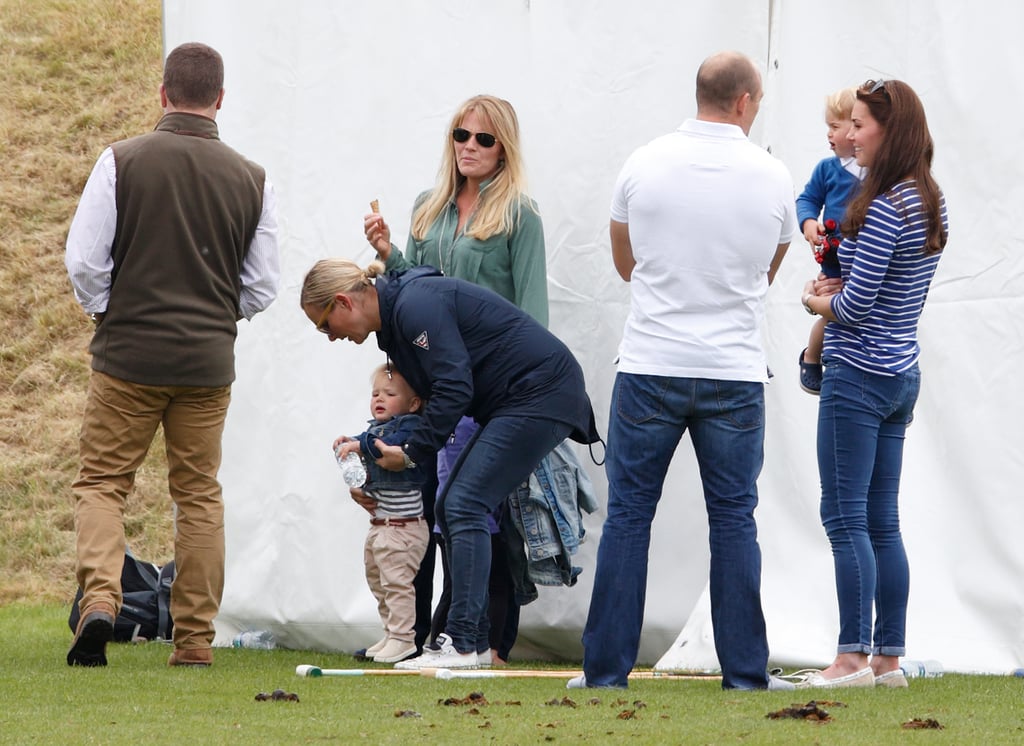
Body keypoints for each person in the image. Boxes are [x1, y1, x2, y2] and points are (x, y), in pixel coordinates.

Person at [571, 51, 797, 691]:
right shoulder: (772, 174)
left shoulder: (643, 162)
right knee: (733, 517)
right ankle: (746, 675)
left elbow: (626, 261)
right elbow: (768, 270)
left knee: (629, 516)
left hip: (651, 362)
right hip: (732, 368)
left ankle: (605, 673)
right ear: (746, 101)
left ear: (700, 93)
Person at [64, 42, 280, 668]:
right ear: (220, 98)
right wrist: (216, 316)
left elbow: (84, 261)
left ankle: (102, 600)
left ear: (162, 94)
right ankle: (193, 640)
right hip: (207, 366)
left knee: (104, 484)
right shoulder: (252, 177)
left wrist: (109, 310)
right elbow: (262, 285)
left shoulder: (120, 161)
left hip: (127, 358)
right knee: (198, 494)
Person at [300, 259, 598, 670]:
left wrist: (409, 453)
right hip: (522, 397)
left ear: (341, 302)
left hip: (539, 392)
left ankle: (461, 643)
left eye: (324, 325)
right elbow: (421, 408)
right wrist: (369, 457)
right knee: (450, 505)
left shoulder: (413, 306)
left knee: (464, 504)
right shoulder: (397, 321)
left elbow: (454, 387)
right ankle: (471, 644)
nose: (330, 338)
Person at [364, 94, 547, 663]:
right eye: (460, 136)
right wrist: (389, 253)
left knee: (480, 513)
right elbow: (411, 292)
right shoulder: (428, 207)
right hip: (433, 388)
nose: (470, 147)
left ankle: (490, 639)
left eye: (484, 139)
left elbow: (534, 315)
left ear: (504, 148)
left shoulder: (521, 213)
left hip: (490, 390)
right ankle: (412, 636)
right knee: (421, 511)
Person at [796, 78, 947, 689]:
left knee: (844, 517)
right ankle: (888, 658)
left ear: (890, 129)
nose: (849, 134)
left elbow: (856, 308)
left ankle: (851, 657)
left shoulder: (884, 205)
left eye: (860, 124)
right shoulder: (928, 198)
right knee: (882, 519)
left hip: (858, 374)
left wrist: (816, 302)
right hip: (901, 372)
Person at [334, 364, 429, 664]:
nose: (379, 398)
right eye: (375, 393)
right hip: (380, 525)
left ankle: (404, 639)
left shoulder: (410, 428)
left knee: (397, 584)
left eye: (389, 394)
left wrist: (358, 445)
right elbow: (366, 441)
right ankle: (391, 633)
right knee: (379, 581)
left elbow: (384, 447)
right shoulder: (372, 430)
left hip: (403, 528)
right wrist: (345, 442)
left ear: (413, 403)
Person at [796, 86, 865, 394]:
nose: (829, 134)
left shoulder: (877, 173)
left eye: (834, 127)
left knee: (861, 312)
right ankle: (812, 356)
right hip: (835, 254)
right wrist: (809, 223)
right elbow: (807, 199)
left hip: (865, 258)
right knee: (833, 311)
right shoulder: (827, 169)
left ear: (856, 127)